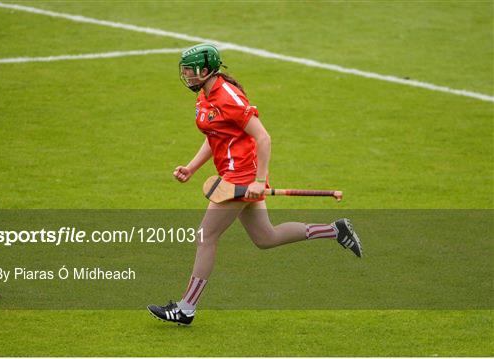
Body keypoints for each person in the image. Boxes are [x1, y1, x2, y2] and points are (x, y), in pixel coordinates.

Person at [147, 44, 362, 325]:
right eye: (184, 70)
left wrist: (260, 181)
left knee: (205, 236)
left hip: (243, 176)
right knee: (265, 238)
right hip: (234, 175)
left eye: (190, 70)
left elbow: (263, 138)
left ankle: (186, 307)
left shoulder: (229, 97)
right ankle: (335, 230)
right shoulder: (205, 95)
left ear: (206, 69)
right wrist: (191, 167)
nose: (186, 75)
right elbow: (215, 134)